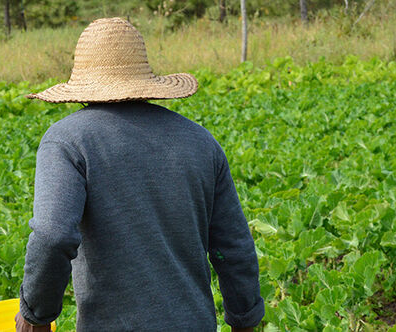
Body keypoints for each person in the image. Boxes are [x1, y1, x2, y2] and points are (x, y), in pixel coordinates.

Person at [16, 17, 264, 332]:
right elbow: (234, 247)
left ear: (81, 85)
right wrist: (244, 322)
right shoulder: (201, 142)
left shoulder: (67, 140)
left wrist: (35, 316)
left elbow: (53, 236)